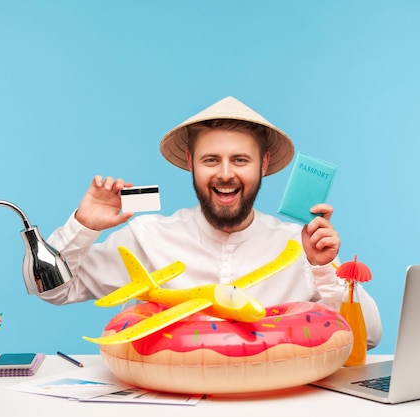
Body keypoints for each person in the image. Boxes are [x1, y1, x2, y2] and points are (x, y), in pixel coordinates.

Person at [40, 96, 382, 348]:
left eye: (240, 160)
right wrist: (84, 225)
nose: (225, 174)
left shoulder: (302, 244)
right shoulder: (147, 235)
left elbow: (370, 338)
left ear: (263, 164)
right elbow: (56, 290)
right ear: (190, 163)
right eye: (210, 160)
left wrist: (323, 268)